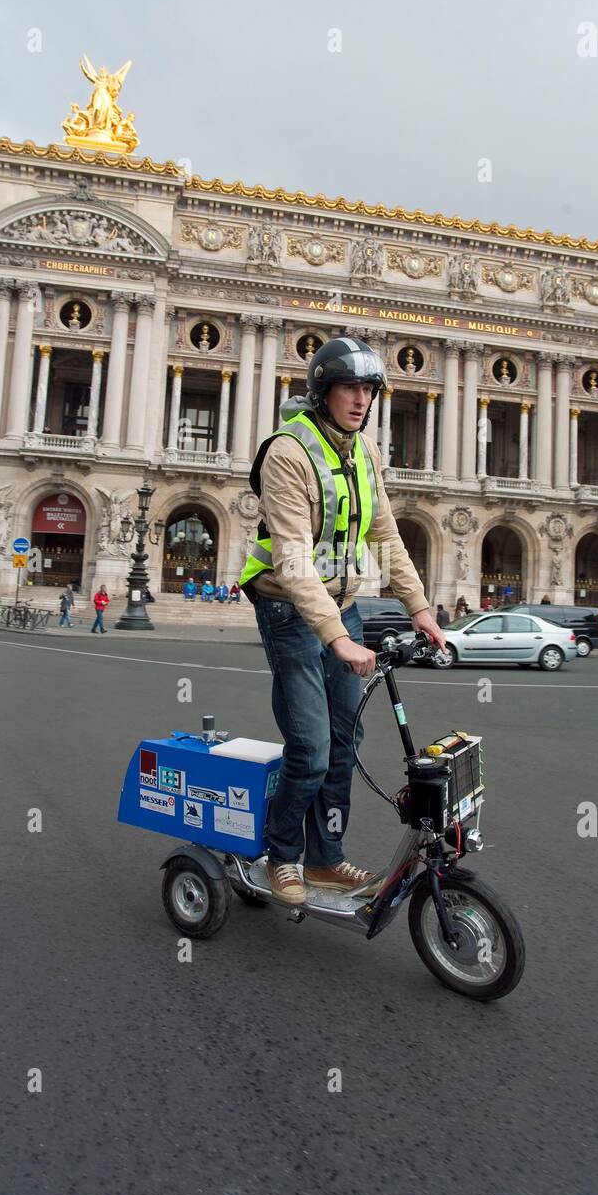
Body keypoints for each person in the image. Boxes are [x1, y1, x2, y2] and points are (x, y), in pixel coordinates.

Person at [238, 335, 446, 905]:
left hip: (344, 606)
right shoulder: (286, 453)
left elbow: (383, 533)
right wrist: (336, 638)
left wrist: (419, 608)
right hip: (289, 608)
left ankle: (326, 860)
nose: (361, 400)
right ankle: (283, 857)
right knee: (310, 747)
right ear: (323, 391)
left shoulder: (365, 452)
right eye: (350, 388)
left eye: (369, 390)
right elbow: (294, 559)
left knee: (346, 740)